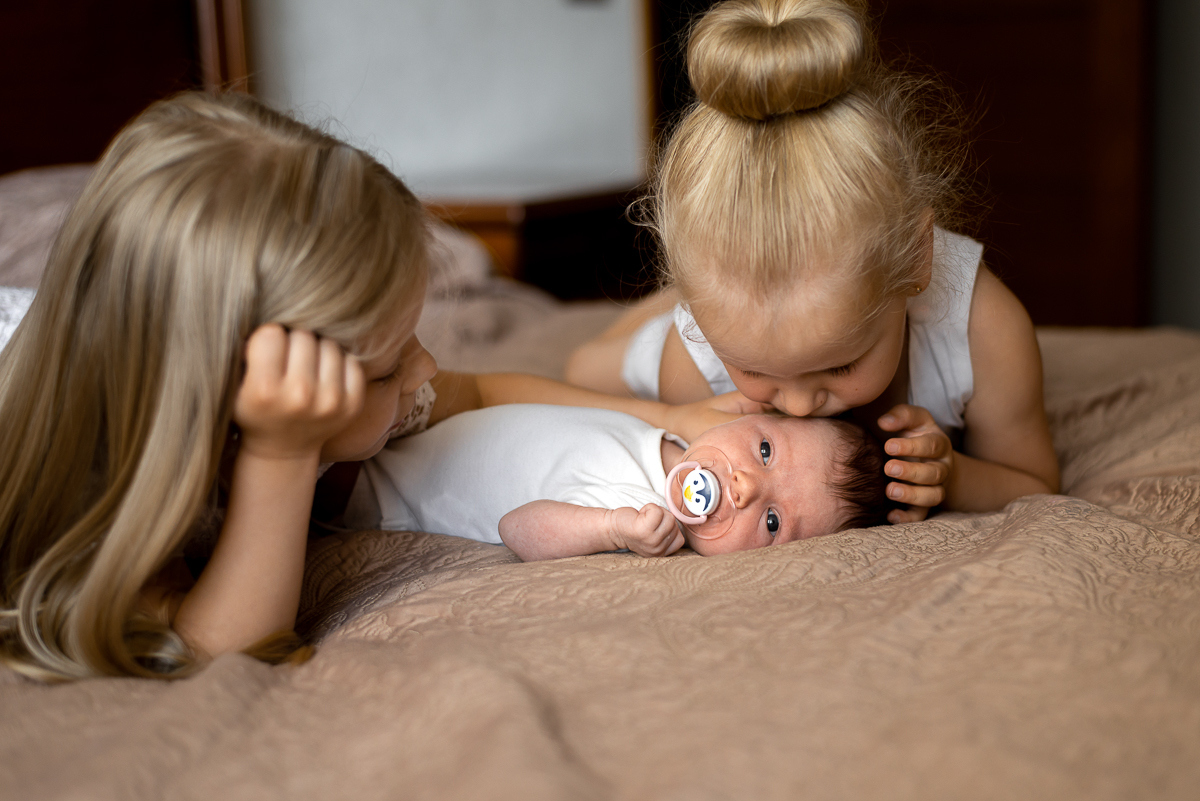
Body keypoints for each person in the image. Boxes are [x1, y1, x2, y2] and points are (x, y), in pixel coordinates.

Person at [0, 93, 743, 682]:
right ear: (253, 392)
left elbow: (480, 390)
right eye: (388, 367)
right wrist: (281, 457)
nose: (423, 370)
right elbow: (216, 644)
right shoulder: (103, 467)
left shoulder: (378, 385)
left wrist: (664, 413)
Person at [564, 0, 1059, 523]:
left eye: (841, 363)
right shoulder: (696, 359)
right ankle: (663, 311)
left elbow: (1036, 481)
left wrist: (956, 476)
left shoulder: (984, 332)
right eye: (754, 369)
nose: (798, 405)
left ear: (917, 258)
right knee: (585, 372)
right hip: (692, 330)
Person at [348, 405, 890, 560]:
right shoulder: (667, 439)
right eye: (765, 450)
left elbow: (517, 527)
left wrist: (611, 528)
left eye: (772, 522)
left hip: (373, 493)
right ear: (753, 414)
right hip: (399, 435)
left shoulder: (644, 513)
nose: (746, 487)